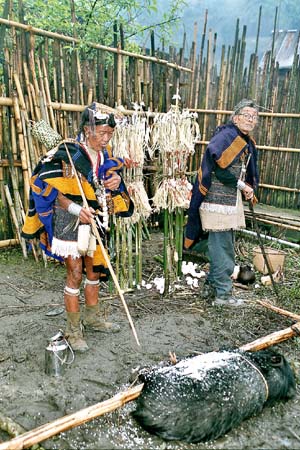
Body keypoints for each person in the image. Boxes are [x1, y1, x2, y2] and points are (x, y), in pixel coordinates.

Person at [22, 102, 134, 351]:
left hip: (95, 218)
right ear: (87, 129)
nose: (106, 139)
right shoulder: (67, 153)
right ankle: (73, 330)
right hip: (69, 220)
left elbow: (105, 183)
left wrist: (115, 182)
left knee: (93, 270)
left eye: (110, 134)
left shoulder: (104, 157)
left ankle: (92, 318)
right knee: (74, 272)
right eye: (102, 133)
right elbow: (46, 186)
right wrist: (75, 209)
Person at [184, 99, 259, 306]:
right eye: (247, 115)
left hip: (227, 201)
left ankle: (211, 289)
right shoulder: (227, 136)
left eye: (254, 117)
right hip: (217, 201)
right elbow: (218, 167)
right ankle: (223, 295)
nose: (251, 120)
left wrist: (245, 187)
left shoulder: (242, 139)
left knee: (222, 245)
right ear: (235, 118)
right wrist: (243, 186)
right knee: (222, 247)